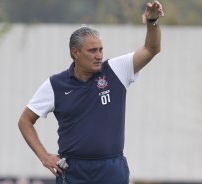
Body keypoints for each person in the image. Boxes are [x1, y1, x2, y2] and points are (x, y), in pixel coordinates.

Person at [18, 1, 164, 183]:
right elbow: (25, 121)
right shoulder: (55, 85)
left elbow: (152, 49)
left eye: (101, 50)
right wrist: (44, 156)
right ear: (75, 53)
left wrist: (152, 22)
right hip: (73, 171)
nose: (99, 55)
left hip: (111, 168)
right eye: (92, 50)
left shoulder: (116, 70)